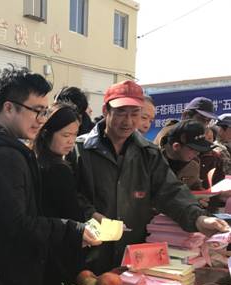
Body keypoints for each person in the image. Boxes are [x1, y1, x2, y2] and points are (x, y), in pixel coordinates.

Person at [70, 80, 228, 274]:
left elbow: (170, 191)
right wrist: (90, 215)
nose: (128, 121)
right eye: (121, 112)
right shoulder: (78, 150)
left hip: (134, 256)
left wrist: (199, 219)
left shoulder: (149, 153)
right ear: (105, 111)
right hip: (88, 255)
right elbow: (67, 197)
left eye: (135, 114)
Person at [0, 66, 100, 285]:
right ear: (9, 108)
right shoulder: (3, 156)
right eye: (37, 111)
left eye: (45, 112)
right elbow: (17, 225)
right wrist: (73, 230)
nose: (42, 120)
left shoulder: (1, 145)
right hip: (6, 280)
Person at [34, 102, 87, 285]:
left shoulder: (36, 161)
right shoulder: (58, 169)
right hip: (60, 250)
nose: (71, 141)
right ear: (47, 133)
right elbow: (72, 213)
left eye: (74, 135)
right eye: (65, 135)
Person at [160, 120, 212, 190]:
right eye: (192, 149)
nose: (197, 153)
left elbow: (195, 186)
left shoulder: (194, 165)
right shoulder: (152, 162)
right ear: (176, 146)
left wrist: (202, 193)